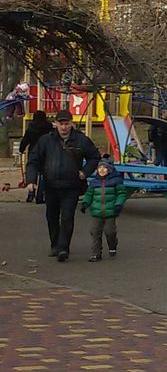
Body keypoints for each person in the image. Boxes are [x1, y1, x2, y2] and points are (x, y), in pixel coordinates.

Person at [24, 110, 100, 261]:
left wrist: (85, 172)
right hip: (51, 185)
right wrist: (31, 180)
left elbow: (94, 156)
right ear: (55, 124)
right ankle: (55, 245)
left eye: (67, 124)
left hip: (71, 185)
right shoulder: (46, 140)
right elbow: (33, 160)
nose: (64, 127)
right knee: (51, 216)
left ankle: (63, 248)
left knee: (67, 217)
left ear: (71, 124)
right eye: (61, 124)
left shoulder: (81, 140)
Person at [79, 159, 128, 261]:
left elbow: (121, 194)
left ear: (109, 170)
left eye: (104, 168)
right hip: (96, 212)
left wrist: (118, 204)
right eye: (100, 168)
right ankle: (96, 253)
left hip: (110, 211)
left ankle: (112, 245)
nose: (102, 170)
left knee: (110, 232)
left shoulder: (116, 181)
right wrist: (85, 203)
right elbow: (89, 194)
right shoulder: (94, 183)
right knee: (95, 232)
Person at [18, 110, 53, 203]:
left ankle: (31, 193)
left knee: (32, 172)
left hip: (33, 151)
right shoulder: (49, 127)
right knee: (43, 174)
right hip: (46, 152)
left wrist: (21, 149)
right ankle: (40, 195)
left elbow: (25, 140)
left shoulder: (31, 128)